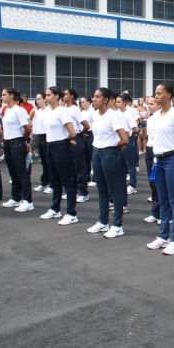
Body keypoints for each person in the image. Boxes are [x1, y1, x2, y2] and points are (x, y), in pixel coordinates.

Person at [145, 83, 174, 255]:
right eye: (155, 93)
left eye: (159, 93)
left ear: (169, 95)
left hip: (172, 160)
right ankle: (164, 237)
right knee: (163, 200)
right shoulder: (156, 116)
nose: (156, 96)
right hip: (159, 161)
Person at [86, 87, 129, 238]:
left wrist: (112, 148)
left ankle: (117, 226)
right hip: (96, 152)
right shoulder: (95, 115)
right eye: (94, 96)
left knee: (115, 190)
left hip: (109, 153)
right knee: (101, 189)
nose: (94, 99)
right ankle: (103, 222)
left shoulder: (113, 116)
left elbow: (124, 139)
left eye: (97, 97)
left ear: (106, 99)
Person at [39, 87, 79, 225]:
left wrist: (65, 141)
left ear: (57, 96)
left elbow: (72, 132)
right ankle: (55, 209)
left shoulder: (62, 112)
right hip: (50, 146)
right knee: (54, 179)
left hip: (61, 147)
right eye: (45, 95)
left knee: (67, 180)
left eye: (49, 95)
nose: (46, 97)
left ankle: (71, 213)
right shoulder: (49, 111)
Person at [1, 87, 34, 212]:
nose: (2, 97)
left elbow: (28, 127)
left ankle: (28, 201)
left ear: (12, 95)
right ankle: (16, 198)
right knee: (13, 172)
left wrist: (23, 140)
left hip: (17, 142)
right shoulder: (7, 110)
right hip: (8, 143)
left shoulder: (19, 110)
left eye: (4, 95)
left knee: (21, 173)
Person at [63, 89, 90, 203]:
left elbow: (86, 125)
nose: (63, 96)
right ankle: (73, 191)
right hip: (66, 139)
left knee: (79, 167)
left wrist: (81, 133)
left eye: (66, 94)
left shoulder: (74, 109)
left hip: (76, 138)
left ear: (72, 96)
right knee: (69, 168)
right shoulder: (63, 109)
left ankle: (83, 193)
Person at [143, 97, 162, 224]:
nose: (149, 106)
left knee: (161, 184)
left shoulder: (162, 118)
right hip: (150, 150)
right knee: (153, 182)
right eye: (148, 104)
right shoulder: (150, 119)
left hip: (159, 151)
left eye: (151, 104)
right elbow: (148, 137)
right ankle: (155, 212)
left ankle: (165, 214)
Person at [30, 92, 51, 194]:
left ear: (44, 99)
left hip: (47, 136)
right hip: (40, 136)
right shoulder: (39, 111)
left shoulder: (49, 111)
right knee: (43, 162)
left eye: (39, 99)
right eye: (36, 99)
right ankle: (44, 183)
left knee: (49, 162)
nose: (37, 101)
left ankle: (52, 184)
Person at [79, 96, 94, 187]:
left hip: (91, 134)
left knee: (92, 157)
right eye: (81, 102)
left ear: (89, 102)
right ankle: (87, 177)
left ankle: (95, 178)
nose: (82, 104)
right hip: (83, 134)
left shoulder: (92, 112)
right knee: (85, 158)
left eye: (84, 102)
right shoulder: (82, 112)